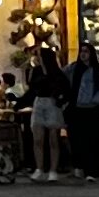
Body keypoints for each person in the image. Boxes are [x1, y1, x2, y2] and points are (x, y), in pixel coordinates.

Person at [68, 47, 99, 178]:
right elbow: (62, 79)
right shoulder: (73, 69)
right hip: (75, 109)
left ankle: (91, 169)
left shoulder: (97, 71)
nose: (83, 54)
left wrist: (93, 101)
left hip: (90, 110)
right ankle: (78, 166)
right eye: (81, 52)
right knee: (76, 139)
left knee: (91, 139)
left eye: (86, 52)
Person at [23, 48, 68, 182]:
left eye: (39, 56)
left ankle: (53, 170)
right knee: (38, 139)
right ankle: (39, 168)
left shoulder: (56, 73)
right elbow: (32, 88)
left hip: (52, 103)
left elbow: (65, 88)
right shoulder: (36, 71)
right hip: (39, 102)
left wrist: (60, 100)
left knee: (53, 139)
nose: (37, 58)